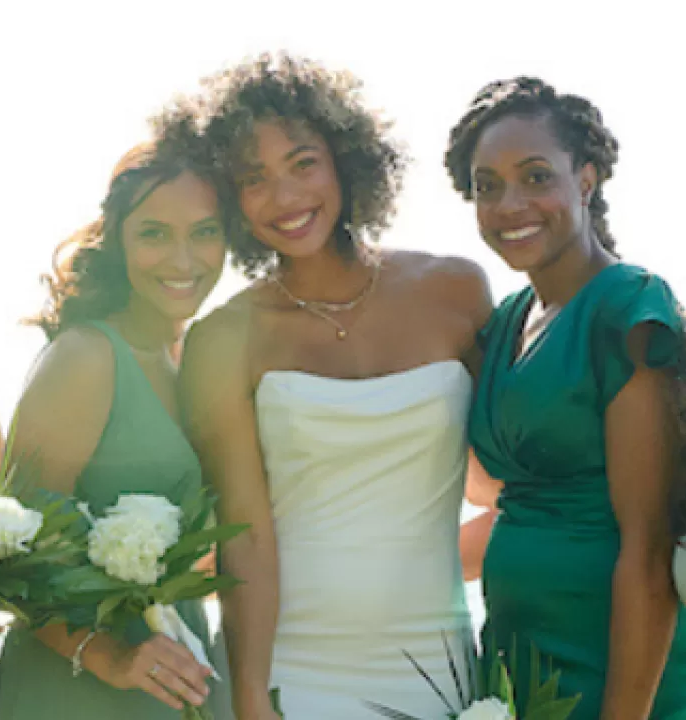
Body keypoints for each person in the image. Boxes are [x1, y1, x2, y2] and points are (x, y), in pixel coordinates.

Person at [176, 53, 498, 719]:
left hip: (438, 667)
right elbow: (245, 538)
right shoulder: (222, 338)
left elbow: (506, 486)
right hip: (294, 670)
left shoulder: (456, 291)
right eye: (253, 179)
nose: (286, 197)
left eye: (302, 163)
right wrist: (248, 698)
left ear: (345, 160)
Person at [448, 76, 686, 719]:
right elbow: (503, 497)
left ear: (585, 180)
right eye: (486, 186)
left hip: (619, 675)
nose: (508, 204)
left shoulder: (628, 310)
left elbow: (650, 548)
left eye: (535, 177)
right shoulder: (505, 324)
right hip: (517, 664)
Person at [0, 130, 232, 719]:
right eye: (154, 234)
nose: (183, 260)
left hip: (180, 676)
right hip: (76, 689)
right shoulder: (86, 357)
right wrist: (112, 659)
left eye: (205, 232)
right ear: (116, 239)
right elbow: (11, 556)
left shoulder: (200, 360)